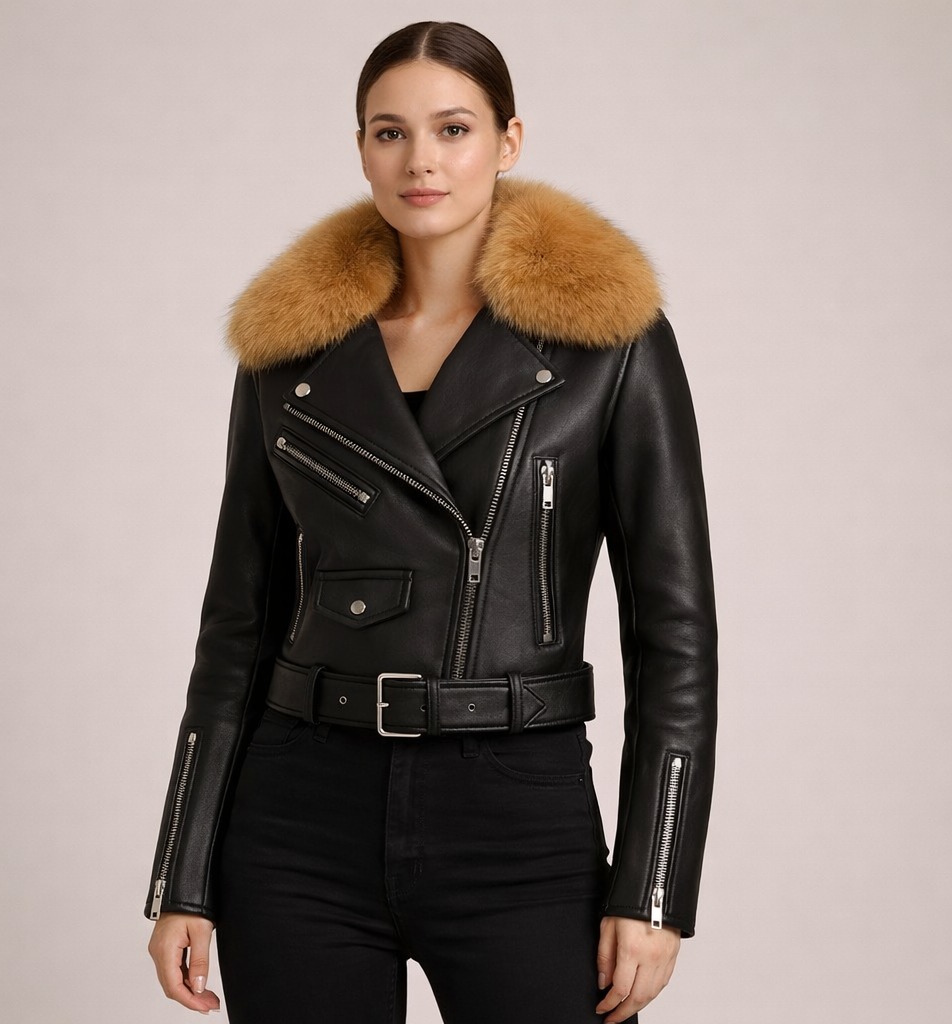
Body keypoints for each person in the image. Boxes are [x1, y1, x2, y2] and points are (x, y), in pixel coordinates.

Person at [144, 20, 717, 1024]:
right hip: (298, 813)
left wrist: (654, 886)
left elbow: (675, 638)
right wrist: (182, 874)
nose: (420, 160)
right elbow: (236, 621)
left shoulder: (607, 343)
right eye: (389, 132)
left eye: (453, 129)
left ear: (507, 140)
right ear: (361, 148)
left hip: (516, 812)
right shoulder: (292, 353)